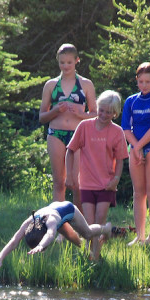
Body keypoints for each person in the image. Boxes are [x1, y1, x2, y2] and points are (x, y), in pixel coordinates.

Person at [65, 90, 130, 260]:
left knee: (99, 219)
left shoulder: (117, 132)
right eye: (101, 110)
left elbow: (121, 159)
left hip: (106, 185)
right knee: (88, 221)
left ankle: (95, 255)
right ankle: (90, 252)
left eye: (109, 112)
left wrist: (115, 180)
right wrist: (70, 176)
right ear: (97, 107)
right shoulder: (84, 126)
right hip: (86, 183)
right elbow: (70, 151)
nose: (103, 114)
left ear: (115, 113)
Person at [39, 44, 97, 206]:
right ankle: (59, 224)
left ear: (77, 61)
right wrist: (56, 110)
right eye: (62, 62)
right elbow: (42, 117)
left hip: (78, 135)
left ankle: (77, 225)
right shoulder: (51, 85)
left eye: (69, 62)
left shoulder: (86, 84)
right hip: (55, 134)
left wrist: (80, 115)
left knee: (78, 184)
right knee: (59, 182)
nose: (65, 66)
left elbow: (95, 114)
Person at [121, 62, 150, 245]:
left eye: (148, 81)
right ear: (136, 81)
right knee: (138, 192)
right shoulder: (131, 101)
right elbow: (125, 127)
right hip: (135, 149)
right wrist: (135, 148)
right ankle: (140, 236)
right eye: (140, 82)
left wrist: (139, 146)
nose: (144, 85)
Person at [0, 201, 112, 270]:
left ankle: (106, 228)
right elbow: (14, 241)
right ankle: (89, 256)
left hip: (69, 210)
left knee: (88, 234)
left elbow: (51, 234)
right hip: (57, 214)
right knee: (76, 242)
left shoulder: (51, 221)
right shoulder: (29, 223)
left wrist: (41, 245)